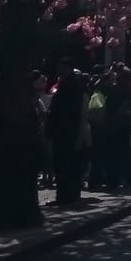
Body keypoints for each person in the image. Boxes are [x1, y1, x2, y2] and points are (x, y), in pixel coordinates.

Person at [46, 69, 88, 207]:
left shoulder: (61, 97)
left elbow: (53, 117)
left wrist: (50, 131)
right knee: (73, 166)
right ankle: (73, 194)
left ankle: (64, 195)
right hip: (72, 134)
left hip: (62, 136)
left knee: (63, 167)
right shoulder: (79, 96)